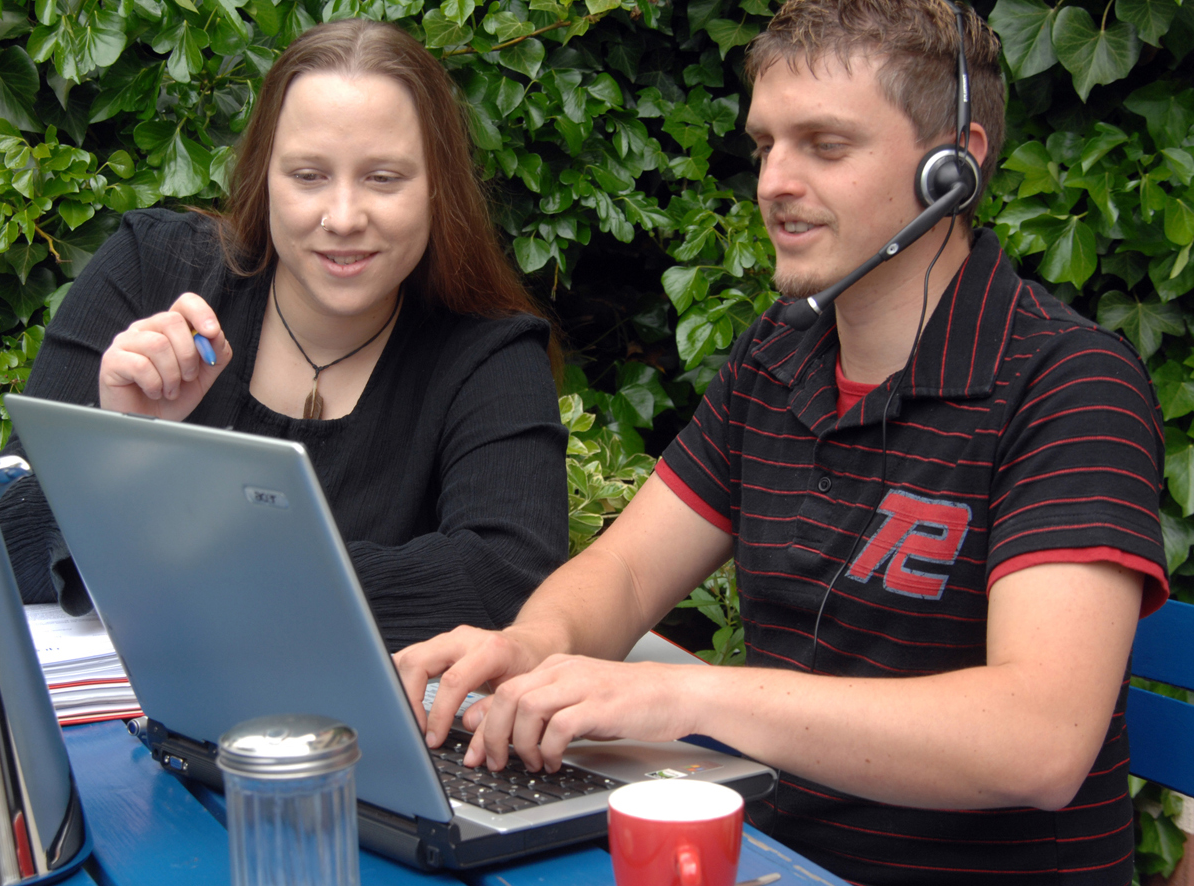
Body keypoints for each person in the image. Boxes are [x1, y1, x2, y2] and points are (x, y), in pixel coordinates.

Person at [395, 1, 1167, 882]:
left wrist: (685, 694)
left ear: (956, 166)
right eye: (766, 145)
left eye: (824, 146)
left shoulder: (1068, 385)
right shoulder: (780, 354)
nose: (773, 182)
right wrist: (533, 645)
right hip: (770, 863)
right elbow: (631, 570)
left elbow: (1038, 741)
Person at [0, 19, 567, 651]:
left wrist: (180, 552)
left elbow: (502, 582)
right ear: (263, 176)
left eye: (384, 177)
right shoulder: (148, 270)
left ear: (439, 189)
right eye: (308, 175)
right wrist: (126, 444)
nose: (343, 218)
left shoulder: (488, 357)